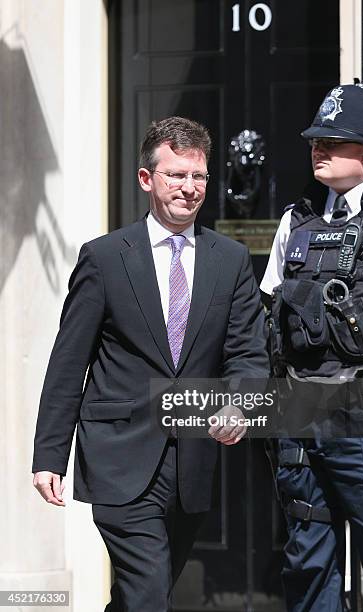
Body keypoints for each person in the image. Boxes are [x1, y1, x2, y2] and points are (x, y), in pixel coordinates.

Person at [32, 116, 269, 612]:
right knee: (147, 596)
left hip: (191, 464)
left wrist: (240, 405)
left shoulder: (230, 259)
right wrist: (50, 454)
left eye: (198, 176)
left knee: (145, 593)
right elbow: (69, 360)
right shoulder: (104, 258)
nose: (189, 188)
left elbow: (248, 350)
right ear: (147, 179)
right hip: (119, 455)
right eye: (175, 175)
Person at [261, 84, 363, 611]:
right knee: (308, 565)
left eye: (333, 141)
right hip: (301, 417)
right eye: (316, 139)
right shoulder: (295, 221)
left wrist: (343, 316)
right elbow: (266, 317)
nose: (318, 149)